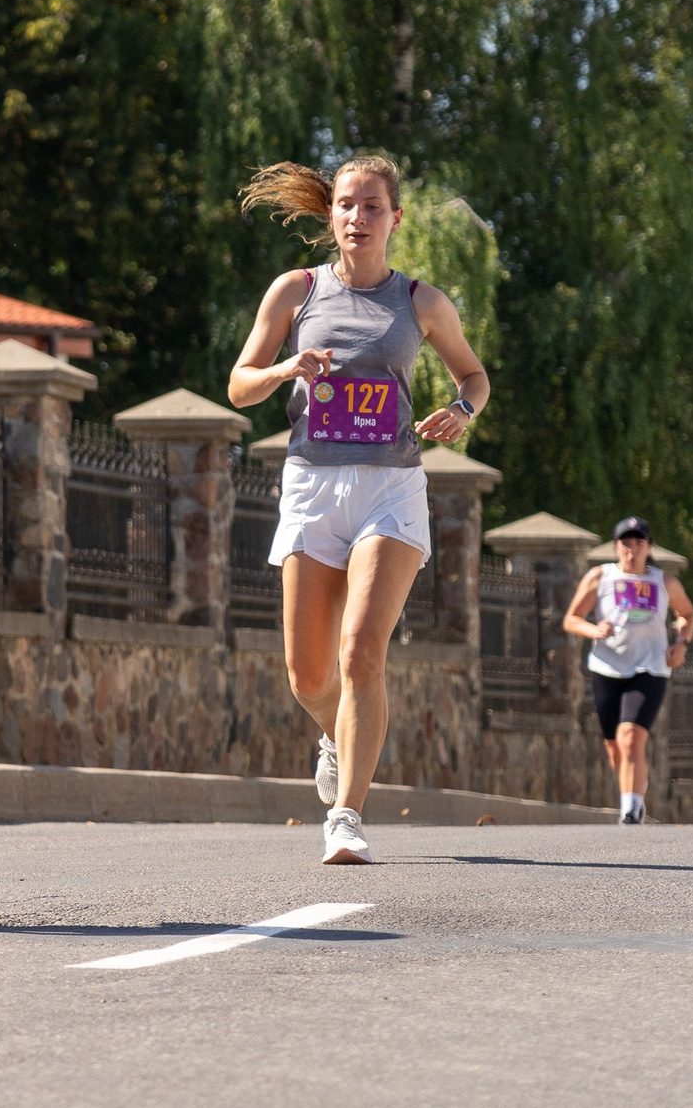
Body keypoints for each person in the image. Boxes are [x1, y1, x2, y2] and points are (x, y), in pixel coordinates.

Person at [228, 156, 491, 865]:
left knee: (360, 652)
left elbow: (475, 373)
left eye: (372, 206)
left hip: (390, 489)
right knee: (306, 674)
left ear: (394, 218)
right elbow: (239, 385)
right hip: (312, 484)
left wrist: (462, 408)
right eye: (346, 205)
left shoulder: (422, 302)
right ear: (331, 214)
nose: (357, 217)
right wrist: (286, 369)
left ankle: (346, 815)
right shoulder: (295, 292)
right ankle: (336, 734)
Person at [563, 516, 693, 824]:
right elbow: (571, 618)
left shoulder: (665, 582)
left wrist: (681, 643)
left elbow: (687, 614)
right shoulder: (600, 577)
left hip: (650, 667)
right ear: (616, 547)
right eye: (626, 543)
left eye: (639, 543)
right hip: (607, 667)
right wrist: (593, 630)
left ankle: (631, 808)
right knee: (614, 746)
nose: (632, 550)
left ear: (649, 548)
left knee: (631, 736)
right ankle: (634, 789)